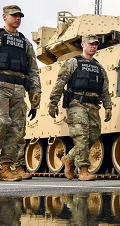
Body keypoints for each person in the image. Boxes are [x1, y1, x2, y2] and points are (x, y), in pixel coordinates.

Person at [0, 5, 42, 182]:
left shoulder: (25, 42)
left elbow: (33, 70)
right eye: (14, 16)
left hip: (19, 88)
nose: (17, 18)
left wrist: (35, 92)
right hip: (0, 86)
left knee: (16, 129)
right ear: (4, 17)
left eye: (20, 16)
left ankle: (6, 168)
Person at [48, 34, 113, 181]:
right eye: (91, 44)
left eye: (96, 44)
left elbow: (104, 89)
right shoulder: (72, 63)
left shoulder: (99, 68)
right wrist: (53, 102)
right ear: (83, 45)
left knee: (94, 135)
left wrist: (108, 106)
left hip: (93, 105)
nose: (94, 46)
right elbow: (60, 83)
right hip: (76, 103)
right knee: (81, 136)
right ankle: (83, 170)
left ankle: (69, 159)